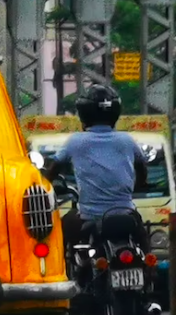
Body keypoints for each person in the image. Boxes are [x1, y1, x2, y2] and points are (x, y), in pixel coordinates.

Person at [53, 84, 150, 251]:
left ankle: (66, 265)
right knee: (144, 241)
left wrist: (45, 182)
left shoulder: (75, 141)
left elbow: (53, 169)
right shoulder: (127, 140)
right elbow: (142, 169)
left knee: (63, 229)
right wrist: (136, 187)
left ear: (83, 113)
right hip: (126, 212)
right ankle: (149, 263)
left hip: (90, 216)